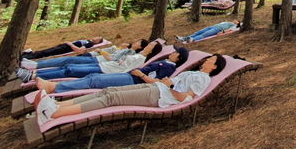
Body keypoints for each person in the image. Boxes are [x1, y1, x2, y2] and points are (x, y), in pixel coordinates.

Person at [35, 54, 227, 124]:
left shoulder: (202, 78)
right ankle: (55, 103)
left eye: (211, 59)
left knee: (110, 99)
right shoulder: (192, 73)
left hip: (160, 96)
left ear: (215, 66)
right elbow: (170, 84)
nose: (207, 59)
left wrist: (170, 85)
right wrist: (163, 82)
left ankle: (55, 114)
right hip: (156, 88)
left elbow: (185, 97)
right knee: (107, 92)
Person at [36, 47, 190, 94]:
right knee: (93, 76)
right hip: (129, 75)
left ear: (178, 58)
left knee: (95, 80)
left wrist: (141, 74)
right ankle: (51, 84)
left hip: (133, 80)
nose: (173, 52)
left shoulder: (169, 67)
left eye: (176, 52)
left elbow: (159, 82)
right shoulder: (165, 62)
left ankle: (54, 87)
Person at [17, 40, 160, 82]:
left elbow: (119, 64)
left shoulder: (139, 58)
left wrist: (104, 51)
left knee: (69, 68)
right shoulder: (134, 53)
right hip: (102, 64)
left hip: (104, 68)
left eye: (150, 45)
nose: (148, 45)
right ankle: (34, 70)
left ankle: (34, 74)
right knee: (68, 64)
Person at [21, 37, 105, 60]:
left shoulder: (89, 44)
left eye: (98, 38)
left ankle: (25, 57)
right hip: (63, 46)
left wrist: (70, 44)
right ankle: (27, 54)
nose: (96, 37)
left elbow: (79, 51)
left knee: (44, 53)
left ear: (97, 42)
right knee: (44, 51)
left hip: (65, 49)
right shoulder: (87, 40)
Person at [175, 20, 240, 44]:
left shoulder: (234, 25)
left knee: (204, 35)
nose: (235, 20)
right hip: (212, 27)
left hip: (217, 29)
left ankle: (192, 40)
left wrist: (222, 32)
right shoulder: (228, 22)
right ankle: (183, 38)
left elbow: (230, 30)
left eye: (237, 21)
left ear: (238, 23)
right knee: (198, 32)